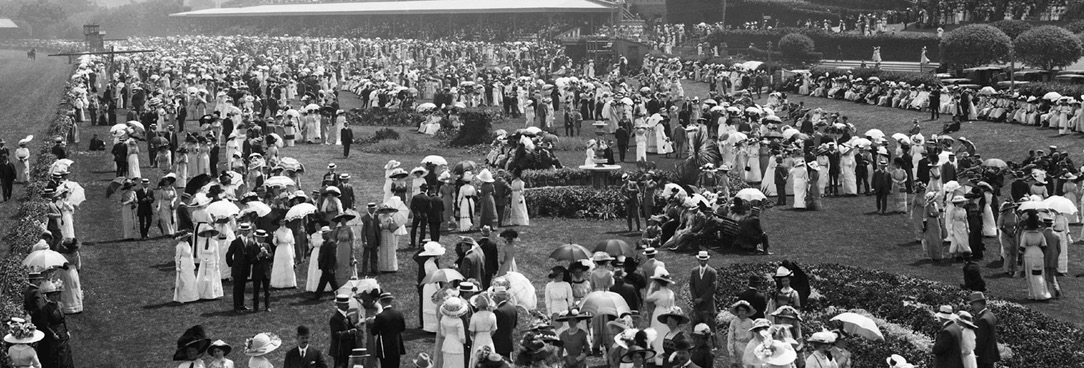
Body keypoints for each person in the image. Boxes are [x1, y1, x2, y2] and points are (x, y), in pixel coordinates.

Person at [35, 280, 74, 368]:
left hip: (62, 331)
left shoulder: (60, 305)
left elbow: (63, 319)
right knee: (56, 353)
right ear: (49, 296)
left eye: (57, 294)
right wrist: (52, 334)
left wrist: (67, 330)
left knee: (65, 351)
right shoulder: (45, 308)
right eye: (53, 295)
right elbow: (44, 324)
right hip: (54, 332)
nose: (56, 297)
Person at [646, 268, 676, 365]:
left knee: (657, 334)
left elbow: (647, 299)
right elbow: (673, 305)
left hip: (659, 312)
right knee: (666, 333)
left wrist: (650, 287)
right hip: (669, 312)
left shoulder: (657, 293)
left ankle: (658, 358)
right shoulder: (671, 293)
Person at [1019, 212, 1051, 301]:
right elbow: (1044, 246)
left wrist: (1019, 258)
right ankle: (1043, 293)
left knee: (1030, 274)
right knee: (1039, 273)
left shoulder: (1026, 234)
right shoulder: (1040, 234)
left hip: (1029, 254)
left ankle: (1033, 294)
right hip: (1039, 253)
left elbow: (1022, 247)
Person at [226, 223, 255, 313]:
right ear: (241, 231)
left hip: (245, 268)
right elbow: (229, 255)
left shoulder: (250, 242)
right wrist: (232, 264)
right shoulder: (235, 242)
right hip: (237, 268)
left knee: (242, 287)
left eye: (247, 231)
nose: (245, 232)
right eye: (244, 230)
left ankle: (241, 305)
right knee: (237, 287)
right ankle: (236, 306)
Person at [371, 292, 406, 368]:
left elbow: (373, 332)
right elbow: (402, 328)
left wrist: (372, 323)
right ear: (391, 301)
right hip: (396, 345)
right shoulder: (399, 314)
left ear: (382, 301)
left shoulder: (380, 316)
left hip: (384, 347)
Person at [967, 292, 999, 368]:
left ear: (978, 303)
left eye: (973, 304)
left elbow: (981, 340)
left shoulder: (982, 319)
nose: (973, 307)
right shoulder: (990, 315)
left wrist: (975, 354)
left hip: (983, 358)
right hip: (990, 355)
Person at [468, 293, 497, 367]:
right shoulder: (492, 315)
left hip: (478, 337)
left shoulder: (475, 316)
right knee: (489, 355)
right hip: (488, 337)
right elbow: (494, 329)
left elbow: (471, 331)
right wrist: (489, 335)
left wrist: (473, 337)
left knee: (477, 356)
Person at [439, 297, 469, 368]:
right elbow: (462, 338)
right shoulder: (458, 321)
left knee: (447, 363)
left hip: (447, 344)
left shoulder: (443, 319)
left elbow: (443, 333)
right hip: (457, 346)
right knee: (457, 364)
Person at [195, 227, 224, 300]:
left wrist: (217, 264)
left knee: (212, 277)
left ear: (211, 234)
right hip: (203, 262)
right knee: (203, 276)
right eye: (206, 233)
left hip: (212, 261)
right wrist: (203, 259)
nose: (207, 234)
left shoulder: (215, 243)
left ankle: (211, 294)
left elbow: (217, 254)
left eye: (209, 233)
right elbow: (199, 253)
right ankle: (202, 293)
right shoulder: (201, 242)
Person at [329, 295, 357, 368]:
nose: (347, 305)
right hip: (340, 350)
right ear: (339, 305)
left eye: (347, 303)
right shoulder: (335, 319)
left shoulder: (347, 317)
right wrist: (349, 332)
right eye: (345, 304)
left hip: (348, 349)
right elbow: (335, 335)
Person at [312, 227, 339, 300]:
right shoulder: (325, 243)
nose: (323, 236)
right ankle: (318, 295)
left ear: (329, 234)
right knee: (325, 282)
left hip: (328, 266)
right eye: (322, 234)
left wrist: (331, 267)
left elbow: (332, 257)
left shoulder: (331, 244)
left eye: (325, 234)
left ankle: (338, 295)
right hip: (325, 265)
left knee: (331, 282)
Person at [250, 229, 274, 312]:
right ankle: (255, 307)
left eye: (264, 238)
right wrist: (258, 256)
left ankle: (267, 306)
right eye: (261, 238)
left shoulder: (267, 245)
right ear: (257, 238)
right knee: (256, 290)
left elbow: (271, 256)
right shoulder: (253, 247)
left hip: (266, 271)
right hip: (257, 271)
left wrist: (267, 254)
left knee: (267, 291)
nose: (263, 239)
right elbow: (251, 260)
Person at [271, 218, 297, 289]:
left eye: (283, 221)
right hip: (280, 249)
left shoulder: (289, 230)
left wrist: (293, 252)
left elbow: (292, 242)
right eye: (280, 221)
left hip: (288, 249)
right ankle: (278, 284)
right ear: (279, 222)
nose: (282, 222)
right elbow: (274, 243)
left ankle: (290, 283)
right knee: (280, 265)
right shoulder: (277, 231)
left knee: (289, 265)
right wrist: (274, 237)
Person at [492, 287, 518, 359]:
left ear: (498, 297)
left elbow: (493, 327)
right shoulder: (513, 308)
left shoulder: (498, 311)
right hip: (508, 343)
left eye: (494, 297)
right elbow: (515, 324)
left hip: (498, 344)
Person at [174, 231, 199, 304]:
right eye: (185, 237)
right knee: (184, 279)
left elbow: (190, 254)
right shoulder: (179, 246)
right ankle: (184, 297)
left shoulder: (187, 244)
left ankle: (192, 296)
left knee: (191, 278)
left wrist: (193, 264)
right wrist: (177, 266)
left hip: (189, 262)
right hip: (184, 263)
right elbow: (177, 257)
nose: (187, 238)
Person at [332, 213, 356, 286]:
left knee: (346, 262)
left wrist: (352, 248)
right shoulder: (338, 229)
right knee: (339, 262)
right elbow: (334, 238)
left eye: (344, 220)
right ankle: (339, 281)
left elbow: (352, 238)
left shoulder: (349, 229)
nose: (343, 221)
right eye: (341, 220)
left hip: (347, 246)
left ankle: (347, 279)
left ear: (346, 221)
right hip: (340, 247)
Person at [727, 301, 754, 366]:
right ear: (737, 311)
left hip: (748, 347)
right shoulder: (734, 322)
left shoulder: (751, 322)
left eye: (743, 310)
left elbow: (754, 336)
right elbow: (731, 337)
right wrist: (731, 350)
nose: (742, 312)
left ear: (746, 311)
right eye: (740, 310)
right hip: (737, 347)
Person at [377, 204, 401, 273]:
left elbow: (394, 227)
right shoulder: (380, 217)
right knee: (384, 249)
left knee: (391, 249)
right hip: (383, 233)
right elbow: (379, 225)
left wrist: (390, 223)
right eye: (384, 210)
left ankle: (392, 267)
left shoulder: (391, 217)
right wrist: (380, 226)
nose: (385, 211)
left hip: (390, 234)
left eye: (387, 210)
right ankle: (384, 267)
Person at [359, 203, 380, 275]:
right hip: (368, 240)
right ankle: (364, 270)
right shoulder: (365, 218)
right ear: (368, 209)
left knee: (374, 255)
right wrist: (364, 241)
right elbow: (363, 231)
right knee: (366, 256)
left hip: (375, 240)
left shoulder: (376, 217)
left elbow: (377, 228)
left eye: (374, 208)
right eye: (371, 209)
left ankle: (374, 269)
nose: (373, 210)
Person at [410, 184, 431, 248]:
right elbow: (429, 208)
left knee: (414, 229)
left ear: (420, 189)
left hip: (417, 215)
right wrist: (426, 213)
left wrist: (416, 212)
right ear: (426, 190)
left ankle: (413, 243)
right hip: (424, 215)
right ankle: (421, 242)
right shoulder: (428, 198)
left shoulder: (415, 197)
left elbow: (412, 206)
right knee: (423, 229)